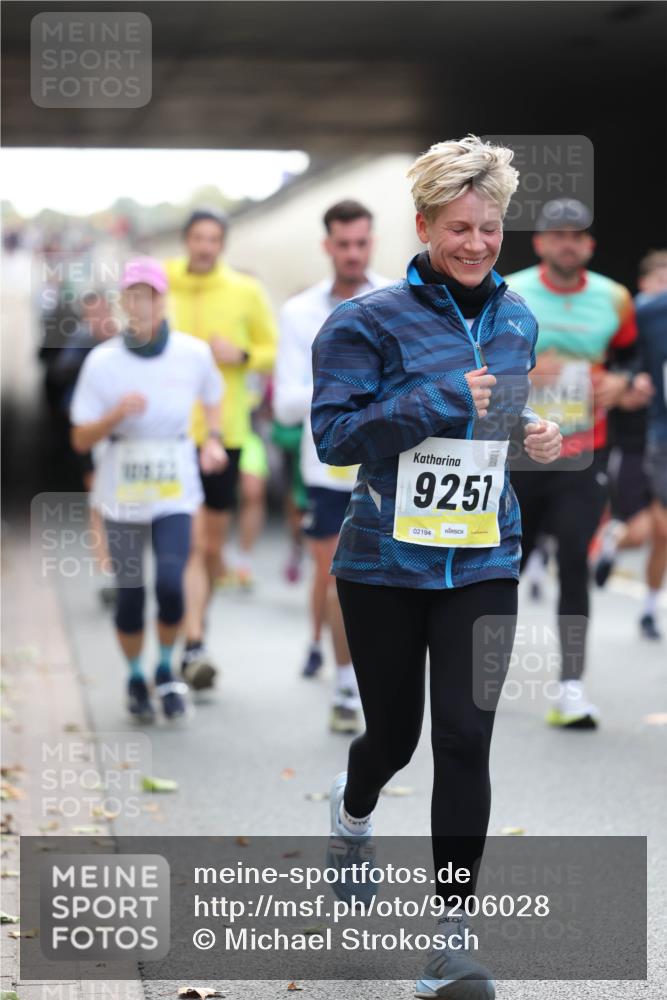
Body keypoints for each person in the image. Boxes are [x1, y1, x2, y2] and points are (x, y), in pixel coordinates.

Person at [311, 136, 561, 998]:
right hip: (383, 564)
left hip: (483, 558)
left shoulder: (517, 316)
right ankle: (352, 815)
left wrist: (531, 437)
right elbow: (335, 439)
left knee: (464, 736)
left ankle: (449, 939)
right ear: (422, 227)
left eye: (489, 228)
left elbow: (502, 424)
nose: (476, 244)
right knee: (395, 737)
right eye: (458, 227)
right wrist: (439, 397)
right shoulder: (362, 321)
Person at [70, 258, 226, 721]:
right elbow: (79, 438)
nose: (142, 305)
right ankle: (136, 675)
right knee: (132, 593)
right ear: (123, 303)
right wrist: (114, 416)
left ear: (162, 300)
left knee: (172, 585)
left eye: (151, 295)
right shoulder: (102, 361)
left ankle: (165, 670)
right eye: (133, 296)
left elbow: (213, 395)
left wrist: (213, 439)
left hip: (174, 483)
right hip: (122, 486)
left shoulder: (192, 352)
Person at [506, 199, 639, 729]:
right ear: (540, 242)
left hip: (583, 454)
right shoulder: (510, 291)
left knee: (574, 566)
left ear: (589, 244)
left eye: (577, 235)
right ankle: (469, 674)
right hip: (518, 452)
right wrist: (526, 374)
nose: (568, 243)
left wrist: (624, 383)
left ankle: (571, 689)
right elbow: (475, 358)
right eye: (558, 235)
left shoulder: (615, 298)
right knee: (500, 568)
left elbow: (633, 359)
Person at [274, 199, 390, 734]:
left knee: (382, 583)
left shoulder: (397, 300)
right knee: (340, 580)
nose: (352, 254)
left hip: (387, 468)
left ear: (372, 242)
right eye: (342, 244)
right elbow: (285, 404)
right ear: (327, 246)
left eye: (361, 243)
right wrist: (353, 390)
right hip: (326, 470)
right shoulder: (300, 312)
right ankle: (347, 686)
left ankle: (375, 676)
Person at [165, 210, 277, 689]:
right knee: (187, 543)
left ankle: (197, 625)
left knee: (210, 547)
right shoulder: (163, 282)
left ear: (223, 244)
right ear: (186, 240)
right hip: (168, 433)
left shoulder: (244, 291)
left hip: (223, 434)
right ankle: (190, 643)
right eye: (197, 238)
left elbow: (273, 350)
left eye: (213, 239)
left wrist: (243, 355)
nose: (205, 247)